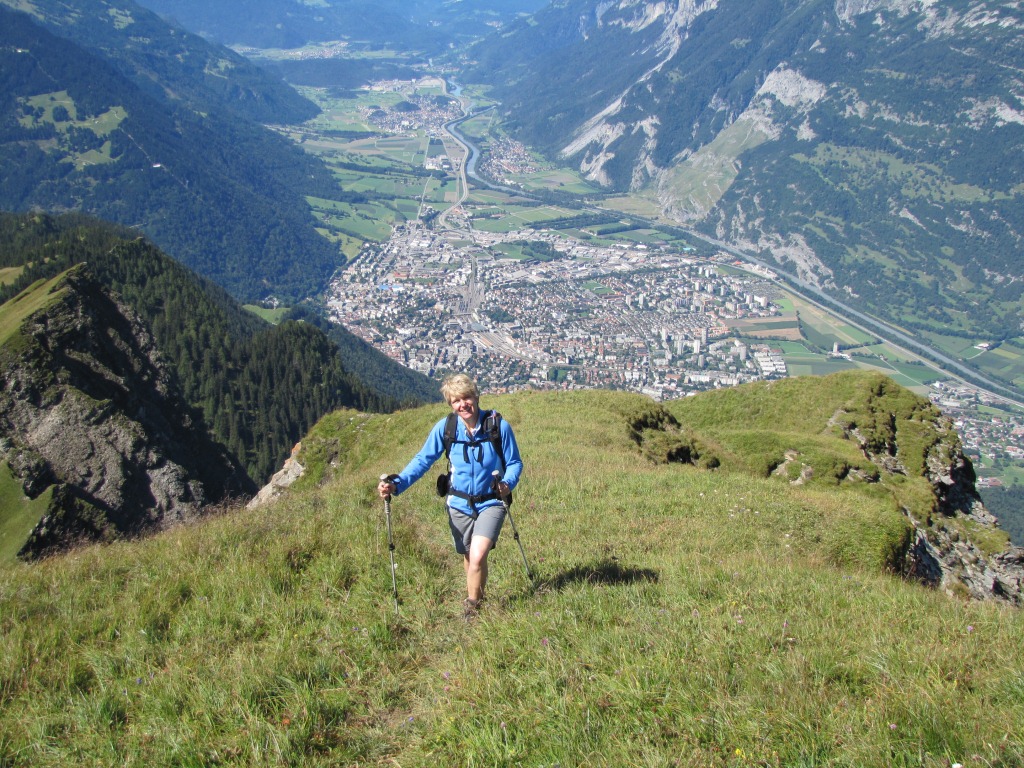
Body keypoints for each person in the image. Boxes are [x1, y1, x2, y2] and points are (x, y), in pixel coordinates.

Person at [378, 373, 523, 616]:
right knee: (469, 556)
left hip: (492, 502)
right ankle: (479, 596)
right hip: (458, 504)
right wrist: (397, 483)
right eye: (456, 401)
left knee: (477, 556)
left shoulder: (498, 427)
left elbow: (515, 462)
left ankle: (472, 607)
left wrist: (507, 483)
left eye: (466, 397)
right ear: (450, 404)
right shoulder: (447, 429)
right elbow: (423, 460)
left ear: (476, 396)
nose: (462, 404)